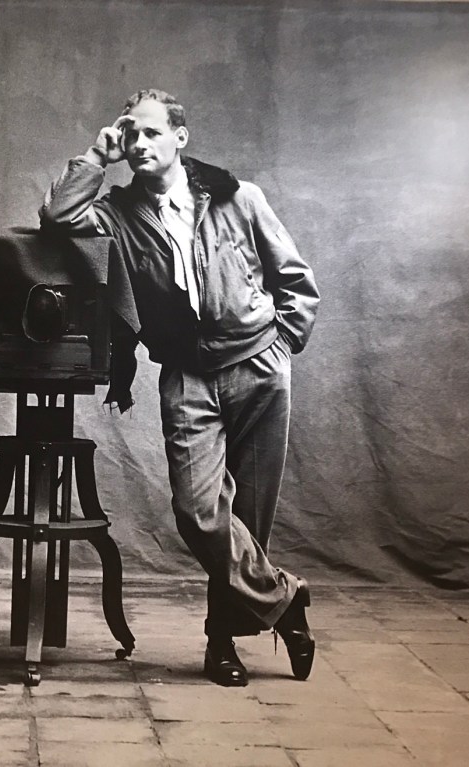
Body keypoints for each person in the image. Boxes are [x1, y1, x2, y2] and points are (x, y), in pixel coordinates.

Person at [39, 89, 320, 686]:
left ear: (180, 137)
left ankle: (222, 644)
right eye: (129, 134)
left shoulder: (239, 197)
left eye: (150, 132)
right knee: (199, 512)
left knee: (248, 521)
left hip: (259, 367)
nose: (138, 143)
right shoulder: (117, 215)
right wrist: (97, 154)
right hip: (188, 374)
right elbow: (58, 217)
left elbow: (294, 277)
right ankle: (286, 601)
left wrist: (283, 343)